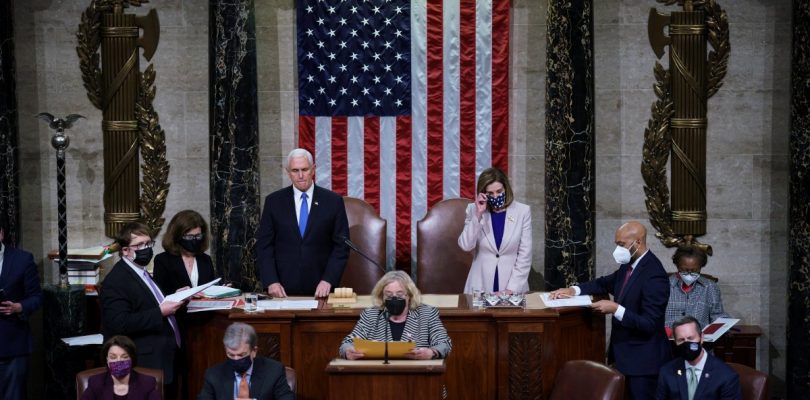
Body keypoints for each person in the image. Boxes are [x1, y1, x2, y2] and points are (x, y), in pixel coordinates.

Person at [549, 221, 671, 400]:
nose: (618, 249)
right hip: (624, 357)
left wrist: (616, 309)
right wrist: (573, 290)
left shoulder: (654, 274)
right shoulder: (628, 266)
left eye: (621, 244)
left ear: (637, 243)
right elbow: (603, 283)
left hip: (643, 364)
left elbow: (650, 324)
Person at [101, 222, 184, 399]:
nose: (146, 248)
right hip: (146, 361)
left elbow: (147, 303)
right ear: (125, 251)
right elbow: (119, 323)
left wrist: (173, 297)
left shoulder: (141, 272)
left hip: (164, 356)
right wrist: (160, 312)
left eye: (148, 243)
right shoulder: (116, 281)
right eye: (139, 245)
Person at [256, 148, 350, 298]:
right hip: (282, 290)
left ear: (313, 170)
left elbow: (341, 247)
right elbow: (264, 246)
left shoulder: (333, 201)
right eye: (295, 170)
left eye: (305, 169)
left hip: (322, 290)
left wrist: (328, 280)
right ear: (288, 172)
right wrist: (271, 281)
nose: (300, 175)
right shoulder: (274, 202)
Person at [340, 270, 452, 360]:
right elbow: (347, 343)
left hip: (416, 377)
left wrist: (431, 352)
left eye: (400, 294)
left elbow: (444, 343)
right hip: (378, 378)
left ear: (409, 295)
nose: (394, 298)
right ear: (381, 296)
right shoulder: (371, 315)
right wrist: (348, 351)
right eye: (388, 294)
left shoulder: (427, 314)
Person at [458, 167, 532, 294]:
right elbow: (466, 245)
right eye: (490, 193)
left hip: (512, 286)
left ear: (506, 188)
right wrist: (478, 214)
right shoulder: (473, 209)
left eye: (499, 191)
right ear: (483, 193)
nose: (496, 196)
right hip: (480, 286)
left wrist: (511, 289)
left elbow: (525, 255)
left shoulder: (523, 211)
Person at [0, 217, 42, 400]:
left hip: (12, 345)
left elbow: (37, 297)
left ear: (1, 233)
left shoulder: (22, 259)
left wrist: (20, 307)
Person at [198, 322, 294, 400]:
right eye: (231, 355)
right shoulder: (213, 375)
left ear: (254, 351)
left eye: (241, 355)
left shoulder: (274, 371)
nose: (236, 359)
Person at [656, 316, 741, 399]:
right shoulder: (666, 372)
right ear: (675, 342)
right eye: (681, 340)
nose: (686, 344)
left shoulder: (726, 375)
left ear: (701, 338)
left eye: (691, 338)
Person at [665, 246, 729, 334]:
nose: (689, 273)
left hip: (699, 341)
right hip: (668, 341)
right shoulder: (663, 285)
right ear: (677, 266)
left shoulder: (710, 287)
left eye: (694, 270)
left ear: (701, 267)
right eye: (685, 270)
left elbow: (717, 314)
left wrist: (725, 325)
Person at [153, 210, 218, 296]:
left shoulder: (206, 259)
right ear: (177, 236)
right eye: (189, 236)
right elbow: (158, 296)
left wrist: (221, 290)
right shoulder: (163, 260)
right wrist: (177, 295)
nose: (194, 240)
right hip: (178, 308)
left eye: (198, 236)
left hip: (205, 308)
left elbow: (210, 289)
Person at [81, 335, 160, 400]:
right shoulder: (96, 382)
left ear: (132, 359)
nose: (118, 361)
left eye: (124, 357)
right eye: (113, 357)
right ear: (107, 360)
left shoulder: (147, 383)